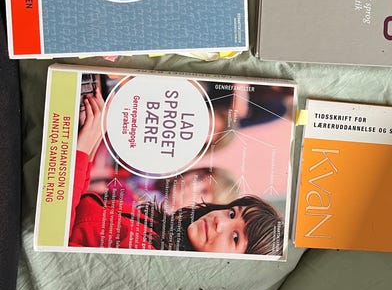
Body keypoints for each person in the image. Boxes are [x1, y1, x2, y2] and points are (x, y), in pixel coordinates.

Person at [69, 88, 284, 256]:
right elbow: (83, 206)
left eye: (235, 238)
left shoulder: (151, 252)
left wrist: (84, 148)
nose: (220, 222)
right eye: (232, 213)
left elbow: (59, 235)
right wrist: (92, 138)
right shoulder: (162, 227)